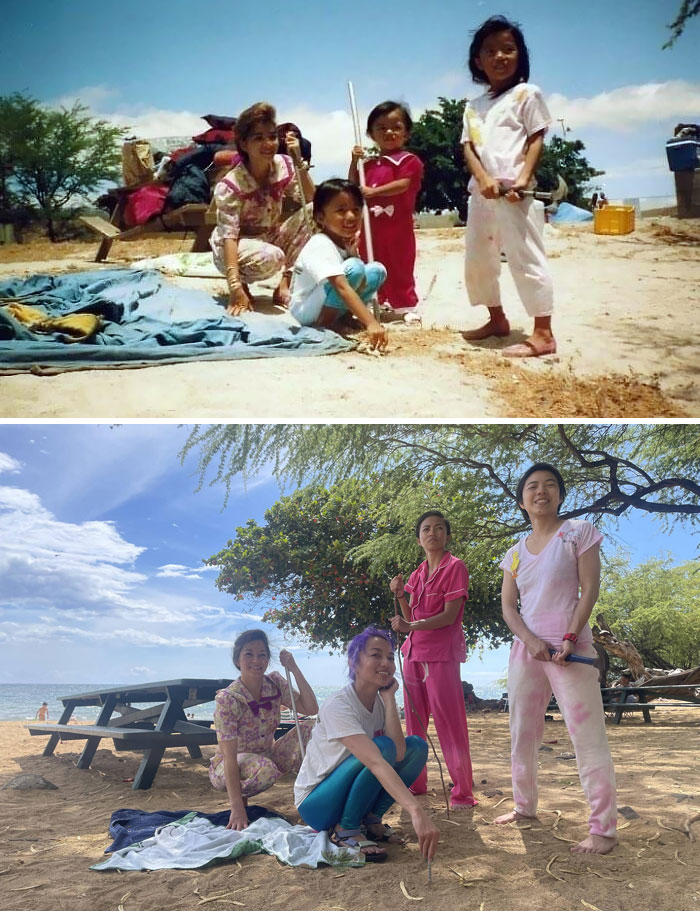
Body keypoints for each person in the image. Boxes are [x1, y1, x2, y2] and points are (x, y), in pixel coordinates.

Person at [497, 462, 617, 854]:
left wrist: (568, 637)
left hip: (571, 650)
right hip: (527, 650)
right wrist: (530, 641)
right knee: (522, 733)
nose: (541, 491)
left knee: (587, 736)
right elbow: (509, 610)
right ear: (522, 501)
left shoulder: (578, 533)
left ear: (561, 495)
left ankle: (602, 829)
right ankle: (523, 807)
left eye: (550, 485)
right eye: (532, 486)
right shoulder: (513, 554)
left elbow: (590, 590)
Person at [294, 627, 439, 864]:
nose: (386, 663)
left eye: (391, 657)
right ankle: (346, 828)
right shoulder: (338, 706)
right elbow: (376, 759)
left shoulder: (379, 703)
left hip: (348, 793)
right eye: (375, 655)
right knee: (381, 749)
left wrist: (389, 698)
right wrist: (415, 810)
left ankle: (371, 820)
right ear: (354, 662)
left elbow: (401, 753)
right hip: (317, 803)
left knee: (417, 747)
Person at [461, 15, 556, 358]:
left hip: (517, 193)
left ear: (520, 55)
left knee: (525, 257)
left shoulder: (526, 94)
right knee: (478, 259)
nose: (499, 57)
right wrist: (483, 179)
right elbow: (468, 148)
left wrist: (524, 177)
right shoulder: (472, 106)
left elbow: (536, 137)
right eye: (490, 51)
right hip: (482, 192)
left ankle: (543, 333)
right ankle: (496, 319)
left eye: (508, 49)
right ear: (478, 60)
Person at [389, 511, 478, 809]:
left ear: (447, 536)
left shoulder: (456, 567)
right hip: (413, 654)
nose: (432, 533)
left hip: (441, 656)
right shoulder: (417, 574)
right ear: (419, 539)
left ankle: (463, 792)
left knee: (449, 723)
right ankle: (416, 784)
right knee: (413, 724)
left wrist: (410, 627)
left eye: (439, 528)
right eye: (426, 529)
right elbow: (411, 614)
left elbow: (450, 616)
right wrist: (401, 595)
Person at [210, 102, 315, 317]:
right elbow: (229, 236)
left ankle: (285, 284)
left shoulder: (283, 165)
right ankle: (243, 285)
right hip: (234, 246)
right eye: (258, 138)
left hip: (268, 236)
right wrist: (234, 286)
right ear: (244, 143)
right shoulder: (231, 185)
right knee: (272, 256)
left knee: (315, 211)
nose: (268, 144)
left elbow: (310, 198)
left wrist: (299, 163)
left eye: (272, 136)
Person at [210, 629, 318, 830]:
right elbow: (230, 757)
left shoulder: (275, 683)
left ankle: (316, 796)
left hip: (268, 755)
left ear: (268, 659)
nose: (256, 660)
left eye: (262, 654)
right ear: (237, 660)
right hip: (229, 765)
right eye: (248, 653)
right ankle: (241, 801)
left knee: (313, 729)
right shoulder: (228, 699)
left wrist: (294, 669)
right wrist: (236, 808)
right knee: (265, 769)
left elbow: (311, 708)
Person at [289, 179, 388, 350]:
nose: (350, 216)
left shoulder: (342, 243)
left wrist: (352, 252)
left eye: (356, 210)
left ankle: (342, 317)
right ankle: (325, 324)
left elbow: (361, 281)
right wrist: (371, 322)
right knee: (355, 268)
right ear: (320, 217)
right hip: (304, 311)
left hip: (324, 300)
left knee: (376, 270)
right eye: (341, 211)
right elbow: (341, 285)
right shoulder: (320, 242)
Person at [349, 101, 423, 320]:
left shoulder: (409, 160)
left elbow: (403, 184)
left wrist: (375, 192)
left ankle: (405, 305)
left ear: (406, 133)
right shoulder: (369, 165)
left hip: (397, 226)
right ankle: (377, 300)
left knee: (400, 264)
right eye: (381, 128)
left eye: (396, 127)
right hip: (372, 227)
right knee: (372, 262)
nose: (389, 132)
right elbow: (353, 184)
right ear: (371, 134)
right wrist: (354, 162)